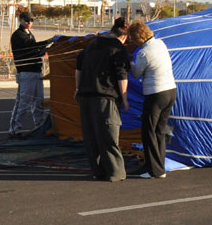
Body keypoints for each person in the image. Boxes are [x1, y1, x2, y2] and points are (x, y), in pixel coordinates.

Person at [75, 17, 130, 182]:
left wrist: (77, 88)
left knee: (91, 136)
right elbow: (122, 75)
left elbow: (78, 68)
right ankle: (115, 172)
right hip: (105, 97)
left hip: (85, 95)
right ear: (124, 36)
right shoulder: (117, 48)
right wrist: (125, 98)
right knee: (109, 135)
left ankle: (98, 170)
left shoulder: (91, 44)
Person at [127, 21, 177, 179]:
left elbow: (135, 74)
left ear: (137, 38)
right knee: (160, 131)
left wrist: (129, 61)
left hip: (155, 93)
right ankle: (159, 166)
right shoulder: (161, 44)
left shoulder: (144, 53)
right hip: (170, 90)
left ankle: (153, 170)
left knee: (149, 131)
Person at [9, 11, 53, 139]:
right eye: (27, 20)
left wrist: (45, 50)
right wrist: (48, 41)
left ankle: (39, 126)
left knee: (39, 101)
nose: (29, 23)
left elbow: (35, 52)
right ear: (21, 20)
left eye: (31, 20)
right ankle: (14, 130)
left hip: (36, 72)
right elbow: (31, 48)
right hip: (26, 72)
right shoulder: (18, 35)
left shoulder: (29, 34)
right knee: (23, 102)